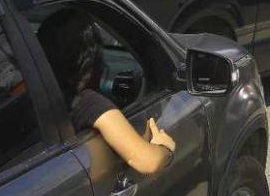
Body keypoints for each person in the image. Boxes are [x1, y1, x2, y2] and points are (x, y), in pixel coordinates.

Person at [36, 9, 176, 174]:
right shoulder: (87, 103)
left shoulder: (35, 97)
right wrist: (165, 148)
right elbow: (147, 161)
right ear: (90, 58)